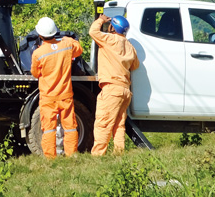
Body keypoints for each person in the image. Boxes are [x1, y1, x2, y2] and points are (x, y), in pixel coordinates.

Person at [30, 16, 83, 158]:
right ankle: (72, 155)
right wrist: (67, 39)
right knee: (70, 127)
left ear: (40, 35)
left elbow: (35, 73)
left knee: (48, 129)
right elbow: (78, 50)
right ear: (56, 32)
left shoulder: (38, 53)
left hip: (48, 97)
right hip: (65, 94)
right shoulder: (66, 45)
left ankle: (50, 157)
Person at [89, 13, 139, 156]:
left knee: (103, 123)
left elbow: (93, 32)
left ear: (113, 27)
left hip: (111, 88)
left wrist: (100, 20)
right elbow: (135, 65)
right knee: (118, 124)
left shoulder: (109, 40)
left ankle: (98, 155)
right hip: (125, 90)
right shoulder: (130, 46)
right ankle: (119, 154)